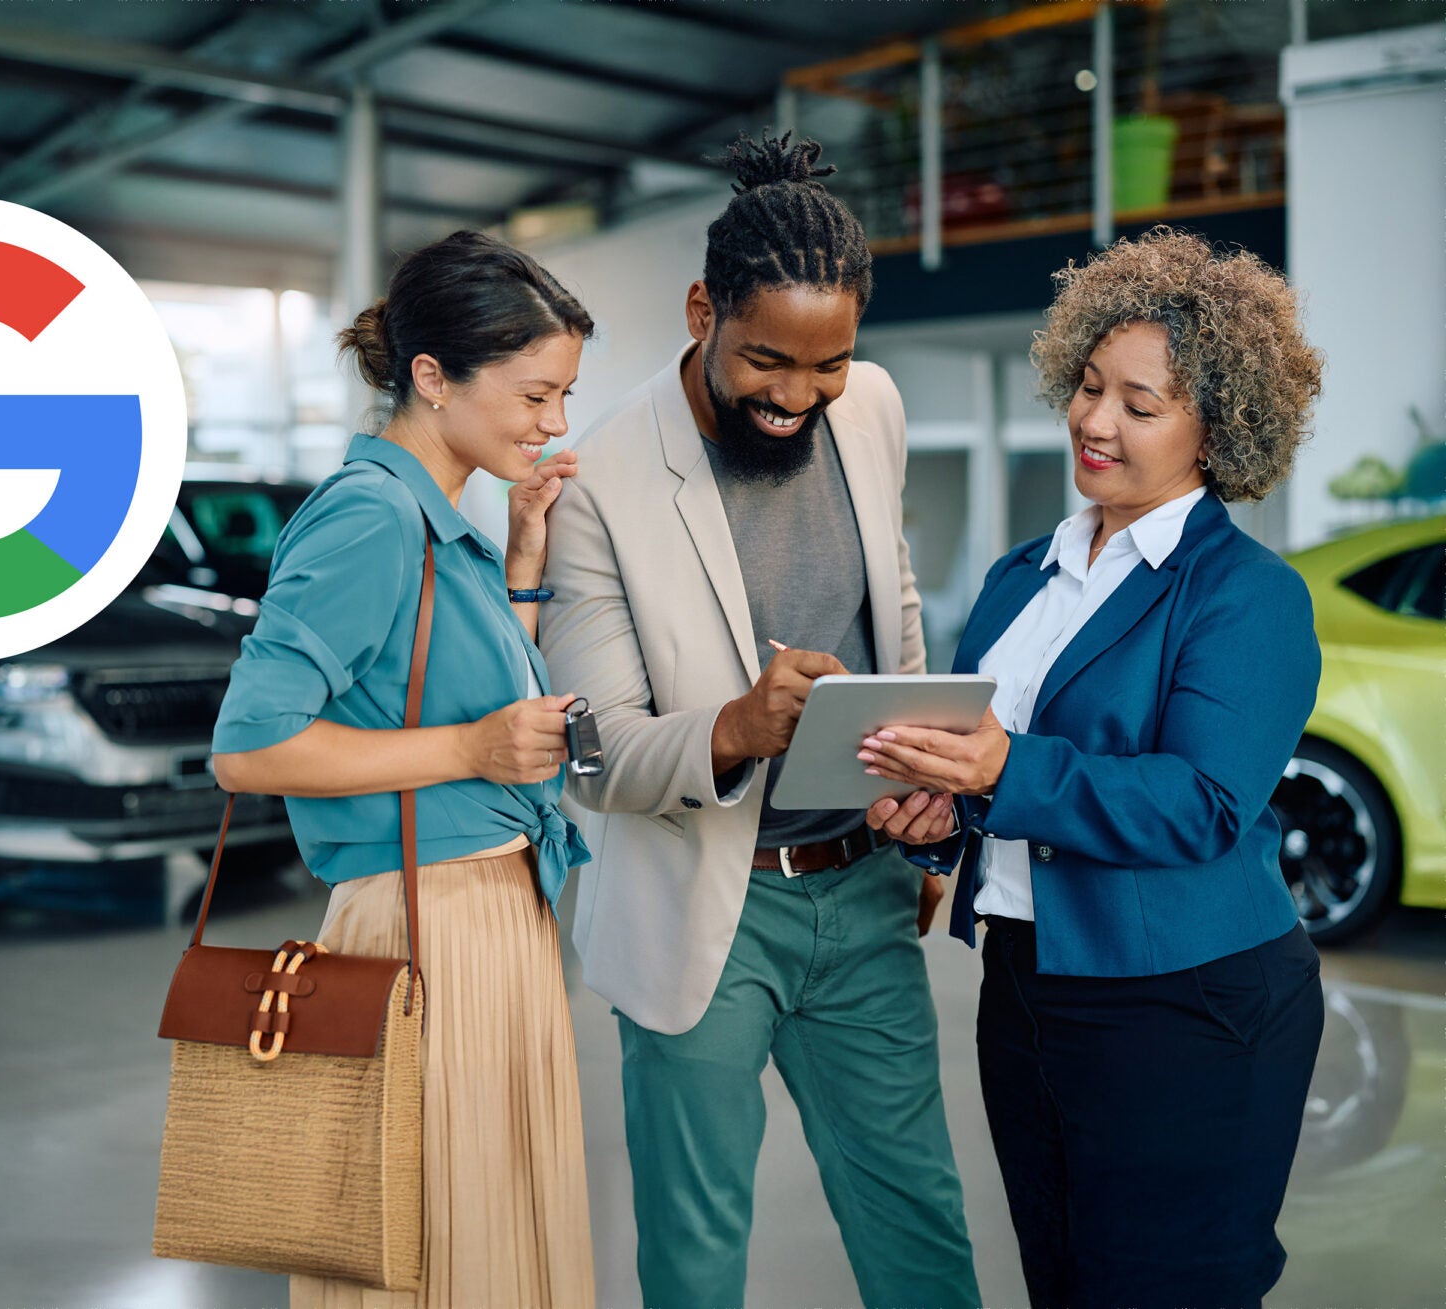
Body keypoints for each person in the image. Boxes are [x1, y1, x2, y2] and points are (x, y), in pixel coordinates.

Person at [539, 132, 979, 1309]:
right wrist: (734, 728)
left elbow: (894, 604)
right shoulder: (602, 481)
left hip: (866, 882)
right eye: (768, 361)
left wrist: (918, 782)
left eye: (825, 366)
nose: (797, 397)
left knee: (919, 1218)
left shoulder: (872, 406)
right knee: (695, 1250)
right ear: (701, 311)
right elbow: (595, 756)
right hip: (702, 910)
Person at [864, 225, 1327, 1309]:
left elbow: (1203, 802)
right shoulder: (1025, 575)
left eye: (1139, 403)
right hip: (1026, 987)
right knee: (1065, 1278)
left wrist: (1002, 770)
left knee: (1169, 1286)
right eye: (1087, 385)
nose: (1094, 420)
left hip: (1186, 1004)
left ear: (1216, 431)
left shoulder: (1245, 596)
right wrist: (947, 807)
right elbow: (995, 767)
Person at [210, 230, 598, 1309]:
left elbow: (440, 686)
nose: (553, 421)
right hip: (430, 926)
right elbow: (248, 746)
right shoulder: (371, 516)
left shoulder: (440, 524)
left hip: (484, 916)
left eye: (562, 394)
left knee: (473, 1244)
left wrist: (521, 567)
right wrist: (475, 750)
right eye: (534, 393)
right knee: (440, 1254)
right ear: (432, 378)